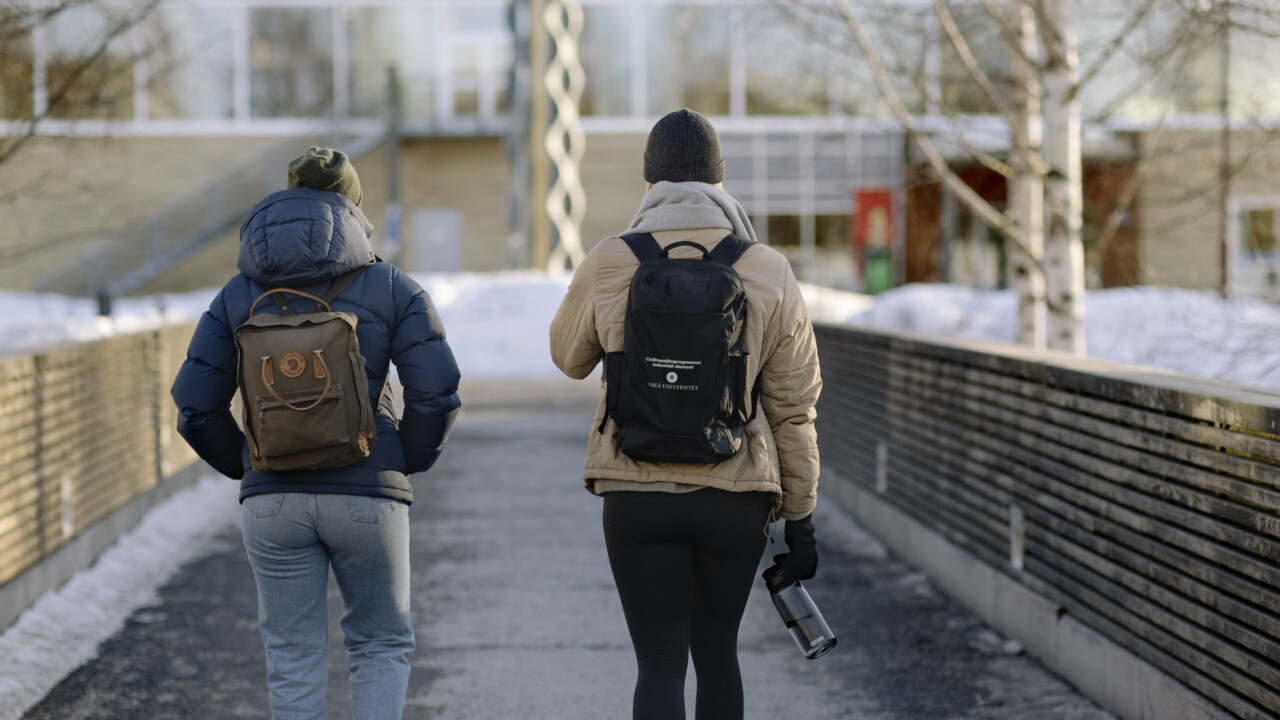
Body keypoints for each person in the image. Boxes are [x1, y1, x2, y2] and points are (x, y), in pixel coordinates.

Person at [549, 109, 823, 720]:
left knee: (660, 663)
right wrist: (799, 519)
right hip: (734, 497)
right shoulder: (767, 268)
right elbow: (793, 409)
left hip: (637, 493)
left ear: (651, 182)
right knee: (717, 655)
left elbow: (568, 356)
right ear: (720, 182)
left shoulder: (612, 259)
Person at [171, 147, 461, 720]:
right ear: (353, 207)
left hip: (273, 501)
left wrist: (254, 462)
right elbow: (437, 389)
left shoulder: (236, 294)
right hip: (369, 492)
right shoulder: (393, 285)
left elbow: (194, 405)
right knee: (379, 645)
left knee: (294, 661)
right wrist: (403, 458)